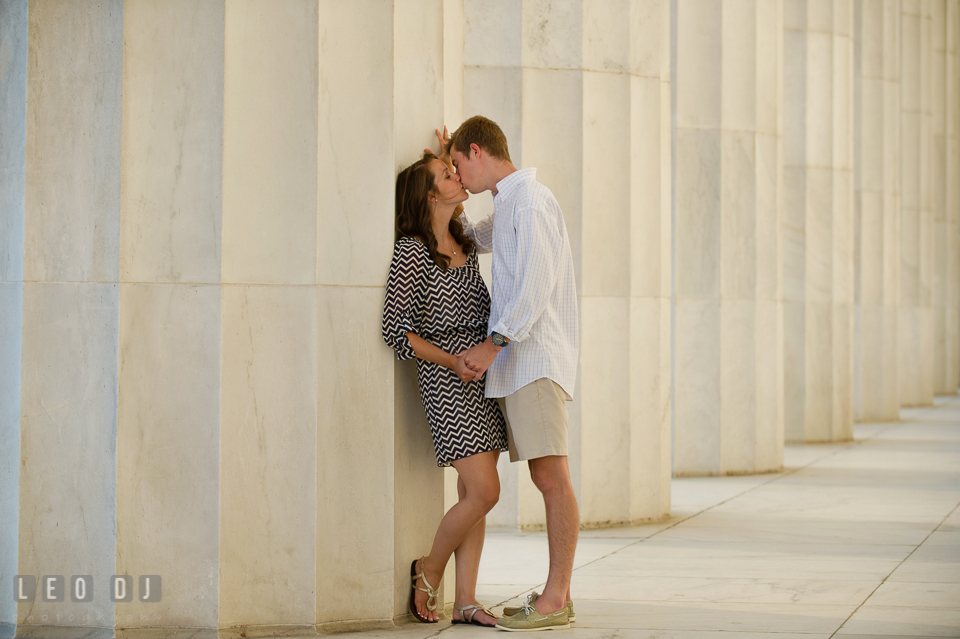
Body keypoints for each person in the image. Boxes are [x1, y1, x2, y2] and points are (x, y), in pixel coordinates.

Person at [433, 116, 580, 632]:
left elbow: (536, 286)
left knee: (552, 478)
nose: (457, 172)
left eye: (458, 163)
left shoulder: (531, 201)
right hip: (520, 365)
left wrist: (493, 344)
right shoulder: (509, 202)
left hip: (533, 361)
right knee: (547, 477)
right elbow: (472, 238)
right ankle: (555, 594)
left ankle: (556, 597)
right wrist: (446, 187)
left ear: (478, 150)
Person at [382, 151, 506, 628]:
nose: (457, 178)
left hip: (482, 373)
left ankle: (466, 600)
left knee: (473, 493)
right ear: (430, 195)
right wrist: (453, 360)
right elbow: (397, 331)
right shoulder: (413, 250)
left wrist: (452, 145)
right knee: (484, 491)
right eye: (446, 175)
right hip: (447, 379)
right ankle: (429, 569)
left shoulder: (462, 239)